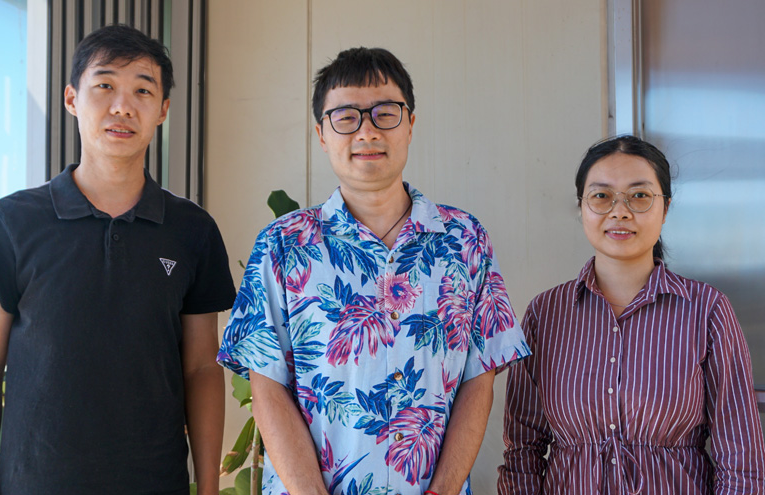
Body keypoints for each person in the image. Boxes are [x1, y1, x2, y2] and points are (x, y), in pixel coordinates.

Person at [217, 47, 530, 495]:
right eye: (346, 117)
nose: (366, 131)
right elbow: (267, 386)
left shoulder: (465, 239)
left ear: (411, 124)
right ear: (322, 134)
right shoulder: (283, 244)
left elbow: (479, 377)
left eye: (385, 113)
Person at [0, 25, 235, 495]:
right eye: (105, 85)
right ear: (72, 98)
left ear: (163, 110)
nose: (122, 106)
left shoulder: (192, 230)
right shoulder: (11, 221)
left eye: (142, 91)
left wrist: (208, 487)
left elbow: (201, 368)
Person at [497, 135, 765, 494]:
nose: (619, 211)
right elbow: (522, 452)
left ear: (665, 208)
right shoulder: (545, 313)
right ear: (581, 207)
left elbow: (741, 458)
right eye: (601, 196)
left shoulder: (707, 311)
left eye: (639, 196)